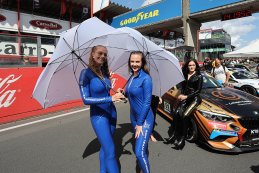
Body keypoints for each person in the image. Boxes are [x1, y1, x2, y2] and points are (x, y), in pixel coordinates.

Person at [79, 45, 125, 173]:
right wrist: (110, 99)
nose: (103, 56)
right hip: (99, 116)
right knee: (110, 151)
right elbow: (85, 99)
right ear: (92, 54)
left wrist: (117, 92)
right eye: (100, 53)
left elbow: (106, 92)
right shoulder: (85, 74)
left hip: (112, 112)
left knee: (105, 149)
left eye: (105, 54)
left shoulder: (104, 72)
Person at [122, 51, 154, 173]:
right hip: (133, 117)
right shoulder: (131, 77)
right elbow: (130, 93)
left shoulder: (146, 78)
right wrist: (123, 92)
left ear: (142, 62)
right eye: (132, 61)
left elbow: (147, 102)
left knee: (139, 153)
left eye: (137, 61)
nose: (134, 64)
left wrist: (140, 123)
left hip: (144, 119)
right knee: (142, 147)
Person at [164, 59, 203, 149]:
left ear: (196, 66)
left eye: (193, 65)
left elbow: (198, 91)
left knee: (185, 115)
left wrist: (186, 96)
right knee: (177, 113)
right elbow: (182, 86)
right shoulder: (185, 74)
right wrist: (181, 94)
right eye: (189, 65)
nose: (191, 67)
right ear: (187, 66)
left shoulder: (199, 76)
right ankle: (173, 136)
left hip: (194, 99)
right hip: (185, 98)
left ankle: (182, 140)